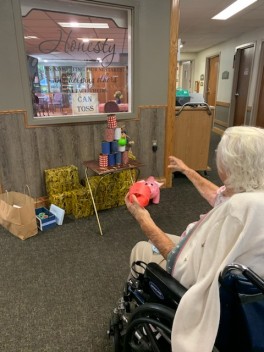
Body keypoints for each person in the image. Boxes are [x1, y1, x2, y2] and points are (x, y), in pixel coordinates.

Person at [125, 126, 264, 352]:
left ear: (227, 167)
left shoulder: (235, 212)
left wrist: (144, 220)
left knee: (141, 249)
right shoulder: (252, 196)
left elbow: (178, 264)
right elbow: (218, 195)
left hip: (199, 286)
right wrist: (187, 170)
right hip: (249, 301)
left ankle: (141, 322)